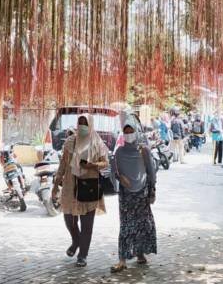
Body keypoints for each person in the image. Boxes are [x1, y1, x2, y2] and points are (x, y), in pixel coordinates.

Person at [51, 116, 110, 267]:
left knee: (87, 224)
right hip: (70, 186)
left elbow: (105, 163)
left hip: (89, 186)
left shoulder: (97, 142)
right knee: (69, 219)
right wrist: (56, 185)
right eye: (80, 123)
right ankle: (76, 241)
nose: (82, 126)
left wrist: (92, 165)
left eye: (85, 124)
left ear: (90, 125)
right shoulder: (70, 141)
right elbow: (63, 165)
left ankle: (82, 255)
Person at [110, 124, 157, 273]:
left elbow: (151, 171)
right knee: (125, 226)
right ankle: (122, 260)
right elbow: (114, 170)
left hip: (142, 192)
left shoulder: (144, 150)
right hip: (126, 194)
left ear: (136, 133)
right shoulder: (119, 152)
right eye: (126, 132)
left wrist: (152, 190)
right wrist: (119, 177)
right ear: (122, 134)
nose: (129, 134)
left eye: (131, 132)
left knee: (142, 224)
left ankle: (140, 253)